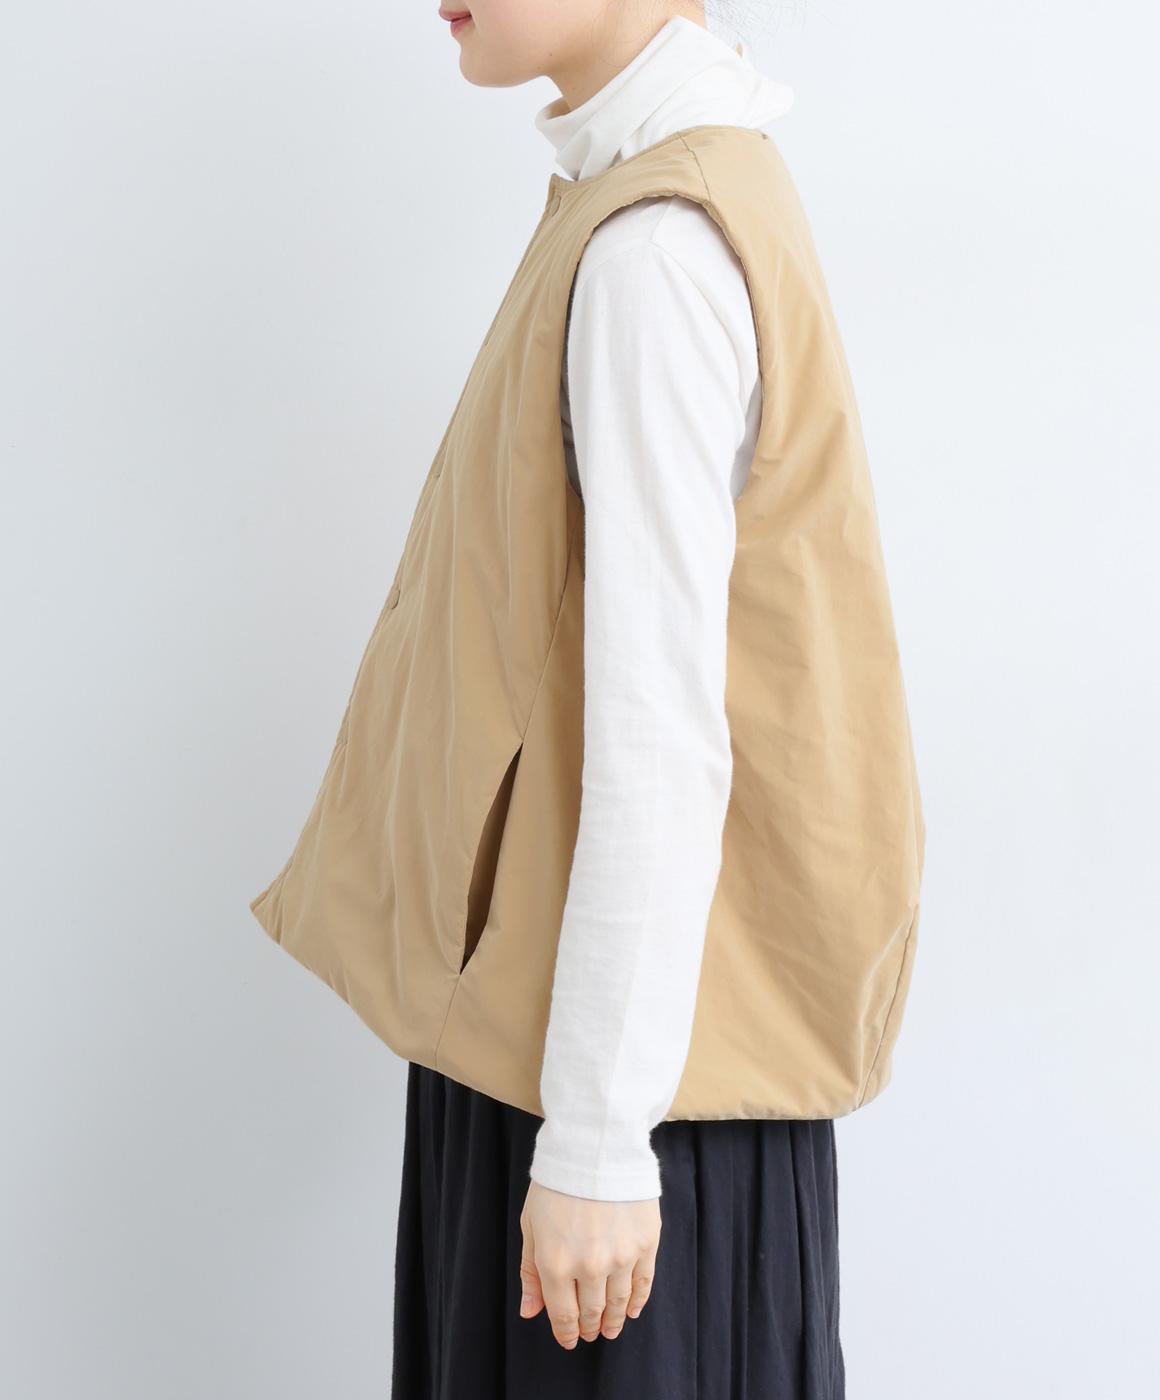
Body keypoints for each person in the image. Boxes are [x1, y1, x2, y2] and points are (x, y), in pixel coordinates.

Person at [248, 5, 925, 1398]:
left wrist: (601, 1146)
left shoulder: (654, 253)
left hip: (622, 1099)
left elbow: (660, 726)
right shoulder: (651, 198)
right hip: (599, 1054)